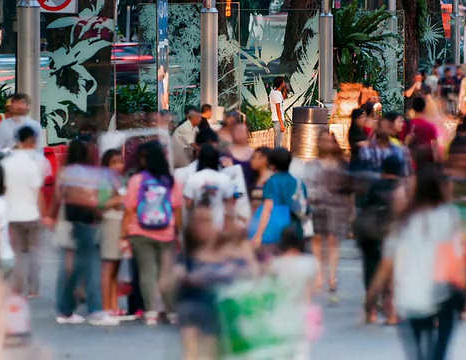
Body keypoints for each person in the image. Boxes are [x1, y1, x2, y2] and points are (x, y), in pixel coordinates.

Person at [366, 164, 466, 360]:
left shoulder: (404, 221)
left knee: (418, 351)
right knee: (439, 349)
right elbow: (458, 255)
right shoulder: (449, 216)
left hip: (411, 293)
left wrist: (372, 293)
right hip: (443, 290)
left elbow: (387, 263)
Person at [47, 140, 121, 326]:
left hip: (67, 221)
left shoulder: (65, 172)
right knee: (91, 265)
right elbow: (91, 199)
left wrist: (51, 216)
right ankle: (95, 310)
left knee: (69, 267)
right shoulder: (88, 173)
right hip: (84, 222)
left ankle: (65, 310)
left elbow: (57, 197)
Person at [173, 202, 254, 360]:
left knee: (211, 351)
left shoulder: (229, 248)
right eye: (198, 221)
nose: (201, 227)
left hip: (216, 307)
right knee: (192, 352)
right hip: (192, 303)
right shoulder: (188, 250)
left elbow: (250, 271)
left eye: (207, 221)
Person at [123, 140, 183, 325]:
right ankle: (171, 311)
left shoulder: (136, 180)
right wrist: (177, 232)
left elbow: (129, 210)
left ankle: (151, 312)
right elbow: (177, 209)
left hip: (140, 232)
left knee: (147, 272)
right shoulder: (171, 181)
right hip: (166, 232)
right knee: (166, 272)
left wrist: (123, 234)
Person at [0, 126, 51, 297]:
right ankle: (34, 288)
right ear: (32, 140)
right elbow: (39, 193)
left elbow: (3, 189)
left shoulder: (6, 163)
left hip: (12, 214)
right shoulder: (35, 164)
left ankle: (17, 286)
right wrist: (45, 215)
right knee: (35, 251)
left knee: (18, 252)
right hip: (32, 214)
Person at [303, 132, 351, 300]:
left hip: (337, 207)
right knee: (317, 240)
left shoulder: (341, 165)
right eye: (322, 140)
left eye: (329, 141)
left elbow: (347, 189)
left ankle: (331, 276)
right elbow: (306, 186)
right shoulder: (312, 164)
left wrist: (350, 210)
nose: (326, 144)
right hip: (316, 206)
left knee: (333, 240)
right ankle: (319, 275)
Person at [356, 155, 403, 325]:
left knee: (370, 268)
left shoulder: (373, 186)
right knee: (390, 272)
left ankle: (371, 311)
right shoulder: (400, 189)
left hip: (370, 234)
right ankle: (390, 310)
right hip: (390, 234)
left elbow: (363, 206)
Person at [269, 227, 320, 358]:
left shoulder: (274, 264)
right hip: (300, 313)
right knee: (300, 352)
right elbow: (312, 288)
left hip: (279, 314)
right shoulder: (309, 263)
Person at [250, 147, 302, 251]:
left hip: (274, 226)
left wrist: (258, 234)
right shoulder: (297, 181)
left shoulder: (272, 182)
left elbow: (267, 208)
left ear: (272, 164)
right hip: (294, 224)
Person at [98, 149, 126, 316]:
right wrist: (120, 199)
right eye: (114, 162)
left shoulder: (120, 180)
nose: (118, 166)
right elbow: (101, 203)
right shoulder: (105, 181)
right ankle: (106, 306)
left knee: (116, 267)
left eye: (120, 162)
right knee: (108, 267)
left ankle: (114, 305)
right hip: (110, 223)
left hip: (120, 222)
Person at [184, 144, 235, 231]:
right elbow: (229, 205)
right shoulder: (224, 178)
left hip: (198, 225)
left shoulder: (193, 178)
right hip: (219, 225)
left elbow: (187, 204)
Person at [222, 122, 255, 193]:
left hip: (251, 190)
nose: (240, 134)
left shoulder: (254, 153)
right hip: (231, 192)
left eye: (242, 131)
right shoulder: (226, 152)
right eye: (238, 131)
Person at [249, 147, 273, 214]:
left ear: (264, 159)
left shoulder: (270, 178)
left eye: (254, 157)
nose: (252, 161)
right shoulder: (256, 177)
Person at [270, 77, 287, 148]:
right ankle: (277, 156)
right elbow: (278, 109)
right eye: (283, 82)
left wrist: (285, 89)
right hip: (278, 120)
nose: (284, 83)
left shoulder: (274, 92)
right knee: (278, 142)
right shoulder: (276, 94)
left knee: (278, 140)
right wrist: (281, 124)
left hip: (276, 119)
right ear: (281, 83)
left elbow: (282, 99)